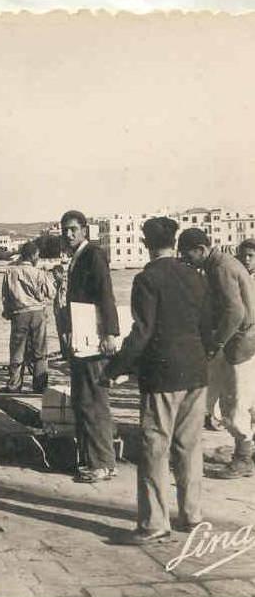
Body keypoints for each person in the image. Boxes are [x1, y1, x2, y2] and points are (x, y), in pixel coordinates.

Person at [103, 218, 212, 544]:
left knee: (155, 447)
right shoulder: (196, 276)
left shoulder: (147, 279)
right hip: (196, 370)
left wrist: (114, 368)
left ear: (144, 242)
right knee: (190, 447)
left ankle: (154, 522)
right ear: (175, 241)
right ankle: (192, 516)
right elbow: (208, 325)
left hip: (163, 375)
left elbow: (142, 332)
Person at [179, 228, 255, 479]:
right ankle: (244, 452)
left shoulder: (221, 268)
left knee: (235, 404)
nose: (187, 260)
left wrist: (216, 342)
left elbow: (236, 313)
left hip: (239, 344)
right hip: (240, 342)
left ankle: (244, 459)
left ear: (201, 249)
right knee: (235, 402)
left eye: (188, 255)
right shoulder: (221, 263)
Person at [61, 210, 120, 483]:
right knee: (86, 399)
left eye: (73, 229)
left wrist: (110, 333)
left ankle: (100, 464)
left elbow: (105, 293)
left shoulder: (92, 255)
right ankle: (100, 461)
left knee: (92, 400)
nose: (68, 234)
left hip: (93, 340)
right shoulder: (79, 257)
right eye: (65, 229)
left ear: (85, 230)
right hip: (83, 337)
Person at [1, 242, 54, 393]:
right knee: (40, 351)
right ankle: (40, 386)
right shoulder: (39, 273)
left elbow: (5, 297)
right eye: (37, 255)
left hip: (19, 314)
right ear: (32, 256)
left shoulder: (10, 272)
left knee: (17, 350)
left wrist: (7, 312)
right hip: (38, 313)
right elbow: (51, 293)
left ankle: (14, 385)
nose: (38, 257)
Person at [51, 264, 71, 359]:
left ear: (61, 273)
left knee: (68, 331)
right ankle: (64, 353)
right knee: (61, 332)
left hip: (66, 309)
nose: (54, 276)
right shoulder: (55, 284)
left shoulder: (66, 283)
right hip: (58, 311)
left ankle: (68, 352)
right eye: (53, 274)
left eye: (56, 274)